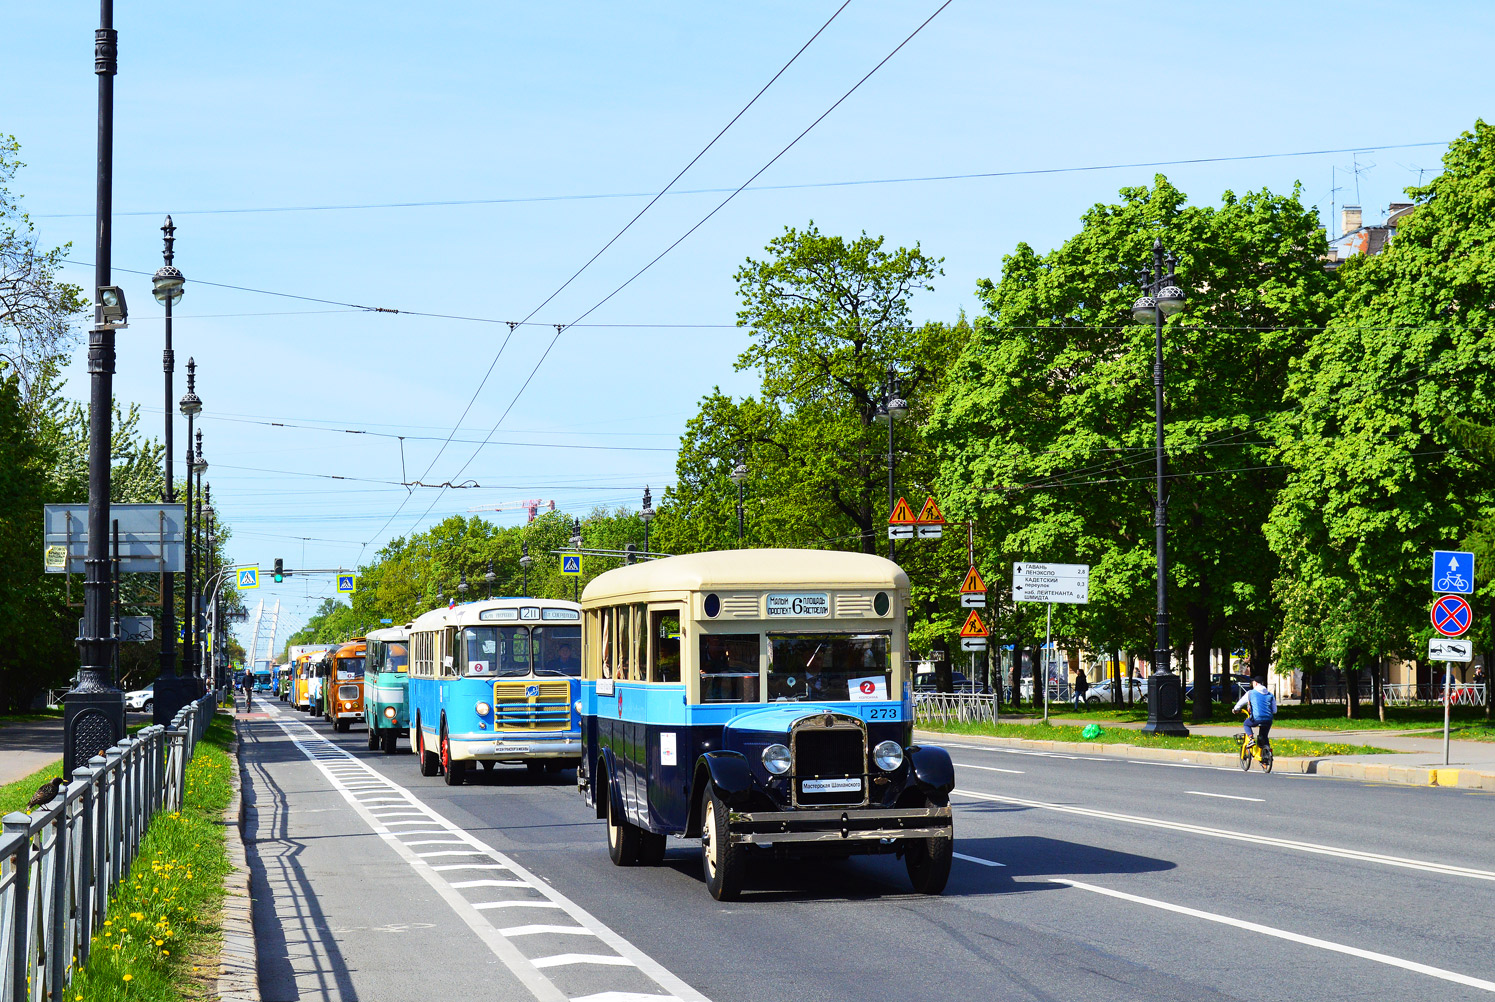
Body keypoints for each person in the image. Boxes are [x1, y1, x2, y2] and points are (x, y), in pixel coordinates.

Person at [1233, 678, 1276, 747]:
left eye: (1252, 682)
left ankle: (1251, 739)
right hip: (1268, 719)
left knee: (1246, 724)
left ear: (1255, 683)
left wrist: (1235, 709)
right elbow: (1274, 711)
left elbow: (1240, 703)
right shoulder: (1270, 695)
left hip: (1256, 718)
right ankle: (1267, 751)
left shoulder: (1250, 693)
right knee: (1264, 736)